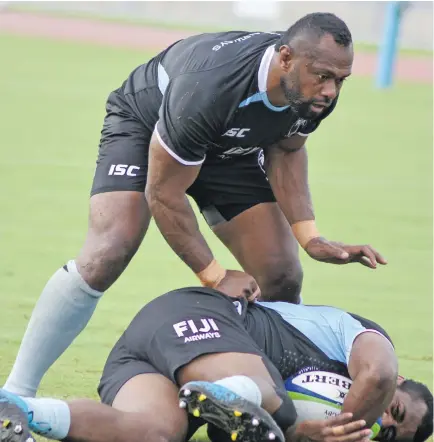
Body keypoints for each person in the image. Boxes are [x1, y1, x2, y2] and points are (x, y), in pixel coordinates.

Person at [3, 12, 387, 399]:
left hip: (227, 146)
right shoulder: (212, 86)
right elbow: (163, 194)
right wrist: (216, 276)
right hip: (148, 124)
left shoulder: (310, 91)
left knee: (282, 276)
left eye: (341, 80)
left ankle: (264, 399)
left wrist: (310, 237)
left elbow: (286, 150)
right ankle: (15, 395)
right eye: (323, 77)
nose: (331, 91)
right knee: (109, 250)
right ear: (285, 58)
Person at [0, 282, 431, 442]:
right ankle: (233, 392)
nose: (378, 424)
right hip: (200, 315)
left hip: (153, 354)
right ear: (403, 384)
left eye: (388, 437)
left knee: (154, 433)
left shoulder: (302, 417)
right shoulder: (366, 341)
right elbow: (379, 375)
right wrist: (334, 431)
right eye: (393, 411)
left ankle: (19, 412)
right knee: (275, 406)